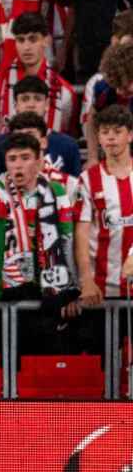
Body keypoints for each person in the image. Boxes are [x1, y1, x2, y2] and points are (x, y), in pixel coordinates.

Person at [0, 131, 80, 355]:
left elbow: (67, 241)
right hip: (4, 293)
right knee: (3, 370)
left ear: (38, 161)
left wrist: (72, 290)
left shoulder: (55, 191)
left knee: (41, 370)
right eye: (12, 159)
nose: (18, 165)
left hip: (46, 292)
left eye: (24, 157)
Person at [0, 11, 77, 161]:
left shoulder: (64, 91)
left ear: (47, 40)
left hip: (49, 169)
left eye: (33, 39)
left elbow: (67, 141)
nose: (26, 47)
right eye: (21, 40)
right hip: (2, 168)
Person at [74, 105, 133, 356]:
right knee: (100, 365)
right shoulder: (88, 179)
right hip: (100, 291)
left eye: (117, 131)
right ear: (97, 137)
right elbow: (82, 232)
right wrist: (86, 280)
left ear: (130, 135)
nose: (110, 137)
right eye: (105, 132)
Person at [0, 76, 83, 182]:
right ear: (16, 105)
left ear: (47, 104)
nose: (31, 105)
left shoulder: (68, 145)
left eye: (37, 99)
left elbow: (75, 187)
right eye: (25, 99)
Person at [81, 9, 133, 166]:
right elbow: (92, 119)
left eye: (126, 86)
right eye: (117, 86)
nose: (121, 92)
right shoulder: (103, 88)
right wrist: (92, 157)